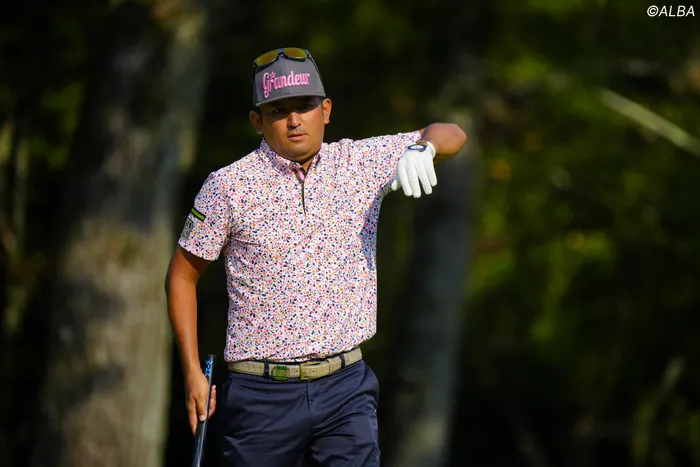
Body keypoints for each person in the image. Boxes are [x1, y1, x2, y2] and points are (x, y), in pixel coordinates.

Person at [165, 47, 467, 466]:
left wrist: (425, 148)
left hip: (345, 388)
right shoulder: (228, 186)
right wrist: (192, 373)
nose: (294, 120)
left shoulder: (359, 163)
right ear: (257, 121)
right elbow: (182, 276)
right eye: (278, 110)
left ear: (325, 110)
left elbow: (452, 132)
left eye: (305, 106)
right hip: (261, 396)